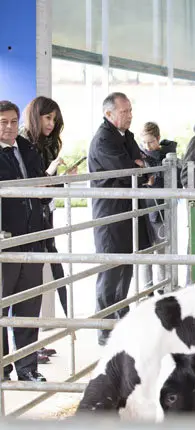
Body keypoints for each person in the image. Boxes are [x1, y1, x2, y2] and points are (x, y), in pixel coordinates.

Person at [88, 92, 151, 346]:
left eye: (130, 110)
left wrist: (138, 167)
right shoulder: (104, 139)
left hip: (128, 210)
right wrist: (137, 168)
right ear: (109, 114)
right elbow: (128, 171)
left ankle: (120, 319)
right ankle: (105, 328)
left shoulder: (126, 136)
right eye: (124, 111)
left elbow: (140, 164)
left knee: (126, 267)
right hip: (111, 213)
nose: (129, 115)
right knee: (111, 269)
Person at [20, 96, 75, 362]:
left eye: (54, 119)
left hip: (45, 218)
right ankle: (25, 351)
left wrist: (60, 179)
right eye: (47, 118)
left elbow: (47, 189)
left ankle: (31, 347)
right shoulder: (22, 144)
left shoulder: (47, 145)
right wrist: (52, 177)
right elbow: (35, 186)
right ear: (35, 117)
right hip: (27, 223)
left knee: (40, 282)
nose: (51, 124)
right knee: (24, 288)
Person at [1, 100, 50, 382]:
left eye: (13, 121)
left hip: (33, 236)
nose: (9, 127)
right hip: (5, 240)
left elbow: (40, 185)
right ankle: (3, 366)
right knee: (2, 304)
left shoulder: (28, 148)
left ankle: (28, 368)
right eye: (3, 122)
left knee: (29, 306)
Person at [139, 121, 178, 287]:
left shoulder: (168, 158)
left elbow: (177, 184)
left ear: (158, 138)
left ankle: (163, 287)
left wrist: (154, 182)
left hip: (163, 210)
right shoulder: (139, 157)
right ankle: (147, 290)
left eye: (151, 142)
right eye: (144, 142)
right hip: (144, 210)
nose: (147, 146)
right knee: (145, 252)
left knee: (162, 251)